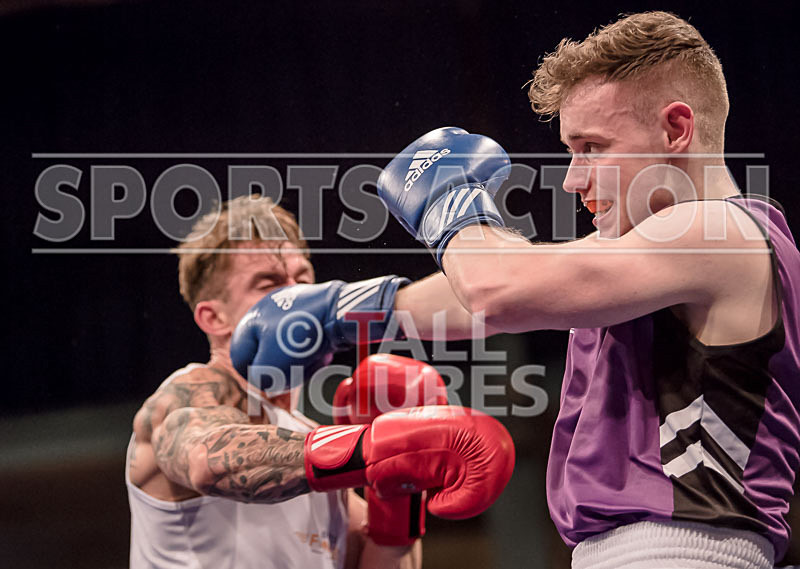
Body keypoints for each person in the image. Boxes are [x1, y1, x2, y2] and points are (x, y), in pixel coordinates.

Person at [374, 10, 800, 569]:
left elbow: (496, 291)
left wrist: (446, 202)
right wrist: (346, 311)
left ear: (676, 129)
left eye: (592, 147)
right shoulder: (660, 252)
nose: (573, 179)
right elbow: (494, 295)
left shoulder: (719, 231)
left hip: (679, 553)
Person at [125, 196, 515, 569]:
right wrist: (381, 447)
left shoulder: (321, 459)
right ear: (214, 318)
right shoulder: (188, 393)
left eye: (301, 280)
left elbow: (385, 557)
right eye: (268, 285)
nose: (293, 296)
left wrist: (399, 496)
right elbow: (207, 461)